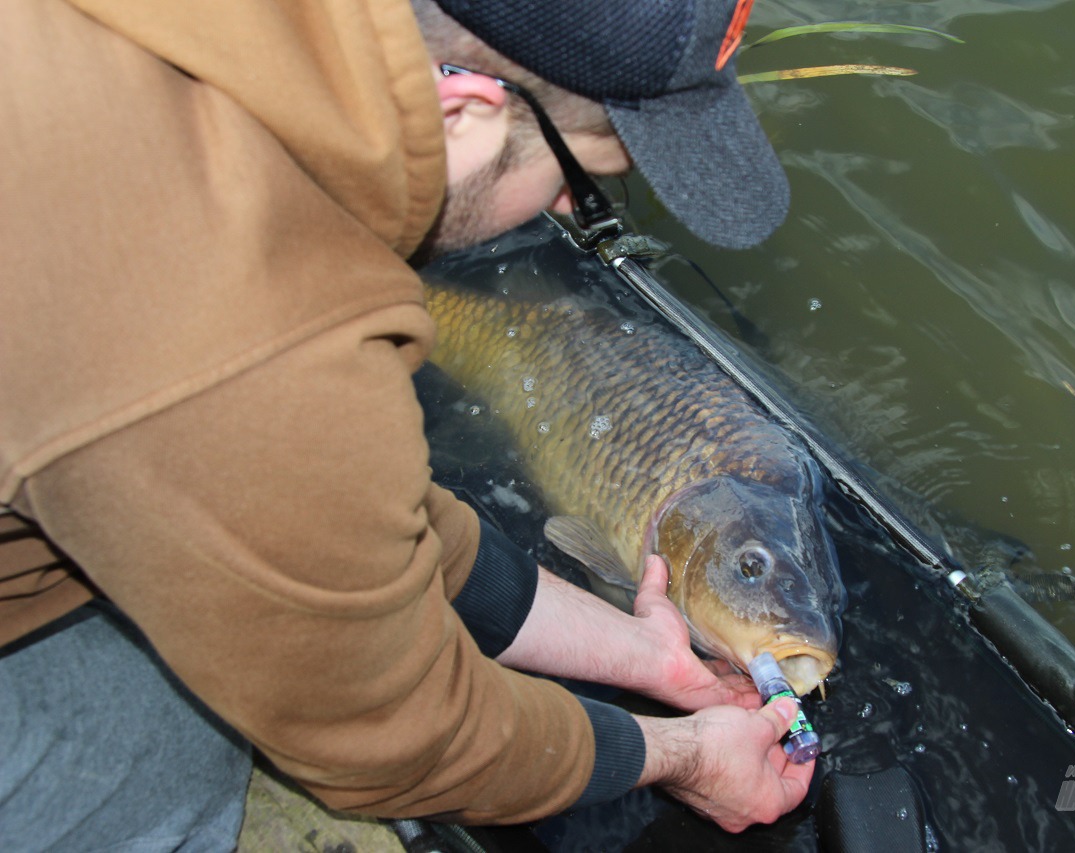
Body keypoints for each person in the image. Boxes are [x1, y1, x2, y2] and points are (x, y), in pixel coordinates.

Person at [0, 0, 805, 847]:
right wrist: (682, 755)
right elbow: (388, 734)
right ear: (464, 115)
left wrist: (643, 656)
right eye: (586, 177)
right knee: (170, 750)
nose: (572, 210)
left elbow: (331, 514)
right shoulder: (258, 330)